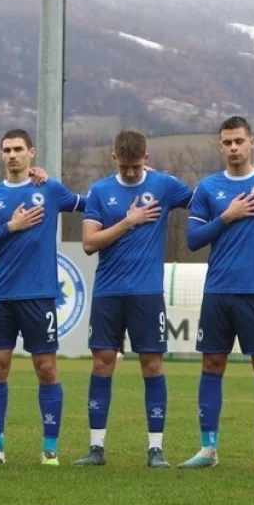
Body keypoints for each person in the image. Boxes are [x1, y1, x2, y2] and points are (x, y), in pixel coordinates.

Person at [179, 116, 254, 470]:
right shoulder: (207, 187)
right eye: (227, 142)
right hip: (218, 291)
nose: (233, 148)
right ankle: (208, 450)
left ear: (252, 143)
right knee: (212, 364)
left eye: (239, 141)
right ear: (220, 146)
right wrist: (227, 216)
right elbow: (193, 239)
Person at [74, 130, 193, 469]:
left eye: (134, 166)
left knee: (153, 365)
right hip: (108, 292)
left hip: (147, 293)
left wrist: (250, 176)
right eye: (123, 166)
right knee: (102, 364)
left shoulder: (165, 186)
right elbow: (89, 243)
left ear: (147, 158)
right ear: (114, 158)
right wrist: (129, 221)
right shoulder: (100, 191)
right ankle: (96, 447)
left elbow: (204, 199)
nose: (129, 172)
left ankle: (156, 448)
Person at [0, 128, 86, 466]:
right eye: (6, 149)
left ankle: (50, 448)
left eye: (18, 149)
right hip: (1, 296)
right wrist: (11, 227)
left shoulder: (49, 189)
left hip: (39, 295)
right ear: (1, 154)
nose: (12, 155)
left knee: (46, 368)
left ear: (31, 153)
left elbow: (89, 205)